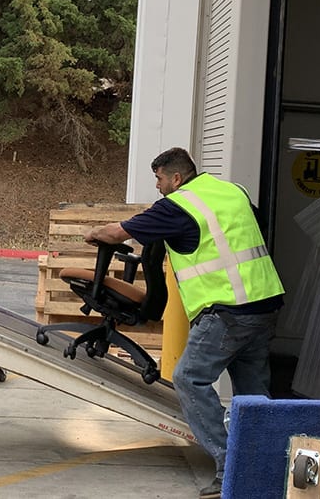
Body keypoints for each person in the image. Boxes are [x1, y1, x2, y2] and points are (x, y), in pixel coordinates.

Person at [85, 147, 284, 499]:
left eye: (160, 179)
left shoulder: (178, 206)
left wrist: (94, 233)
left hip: (227, 311)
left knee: (188, 378)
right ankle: (266, 467)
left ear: (176, 177)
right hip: (265, 304)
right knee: (253, 395)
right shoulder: (232, 191)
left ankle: (230, 464)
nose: (159, 187)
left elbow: (118, 233)